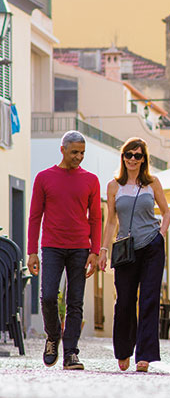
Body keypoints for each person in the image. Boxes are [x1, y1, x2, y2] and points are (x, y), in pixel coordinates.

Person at [27, 130, 101, 370]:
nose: (79, 157)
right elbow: (35, 216)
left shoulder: (91, 180)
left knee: (75, 302)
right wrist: (32, 251)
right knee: (48, 295)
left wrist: (95, 251)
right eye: (74, 152)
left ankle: (71, 353)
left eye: (82, 153)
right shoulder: (44, 177)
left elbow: (96, 218)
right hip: (51, 247)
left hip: (80, 247)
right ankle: (52, 337)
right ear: (62, 150)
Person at [98, 138, 170, 372]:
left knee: (149, 300)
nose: (132, 159)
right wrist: (103, 249)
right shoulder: (113, 186)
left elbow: (167, 213)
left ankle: (145, 355)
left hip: (152, 247)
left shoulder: (153, 183)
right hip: (125, 249)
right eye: (128, 155)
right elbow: (110, 221)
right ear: (123, 157)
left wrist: (160, 234)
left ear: (144, 159)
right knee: (125, 301)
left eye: (137, 156)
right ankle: (123, 350)